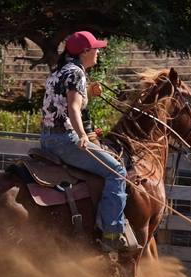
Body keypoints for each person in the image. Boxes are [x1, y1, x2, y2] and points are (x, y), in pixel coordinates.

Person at [40, 31, 128, 252]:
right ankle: (111, 232)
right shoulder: (76, 73)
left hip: (47, 139)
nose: (99, 52)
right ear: (85, 52)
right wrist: (81, 135)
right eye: (96, 48)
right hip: (66, 140)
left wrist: (88, 92)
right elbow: (73, 108)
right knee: (116, 171)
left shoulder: (58, 71)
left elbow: (62, 102)